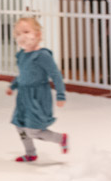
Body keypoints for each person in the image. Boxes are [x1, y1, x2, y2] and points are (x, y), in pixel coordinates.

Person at [7, 17, 68, 161]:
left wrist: (61, 95)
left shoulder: (42, 55)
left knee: (33, 130)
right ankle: (31, 153)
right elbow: (24, 74)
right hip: (23, 96)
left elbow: (56, 75)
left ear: (38, 34)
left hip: (38, 96)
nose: (22, 36)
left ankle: (60, 139)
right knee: (20, 126)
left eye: (26, 31)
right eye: (18, 33)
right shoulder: (22, 55)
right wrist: (13, 85)